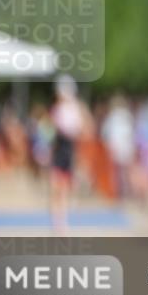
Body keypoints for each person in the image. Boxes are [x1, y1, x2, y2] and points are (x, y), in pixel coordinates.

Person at [49, 74, 86, 232]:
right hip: (60, 151)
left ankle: (62, 219)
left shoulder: (74, 108)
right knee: (57, 188)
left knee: (64, 188)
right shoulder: (58, 109)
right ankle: (59, 220)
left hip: (68, 151)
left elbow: (79, 129)